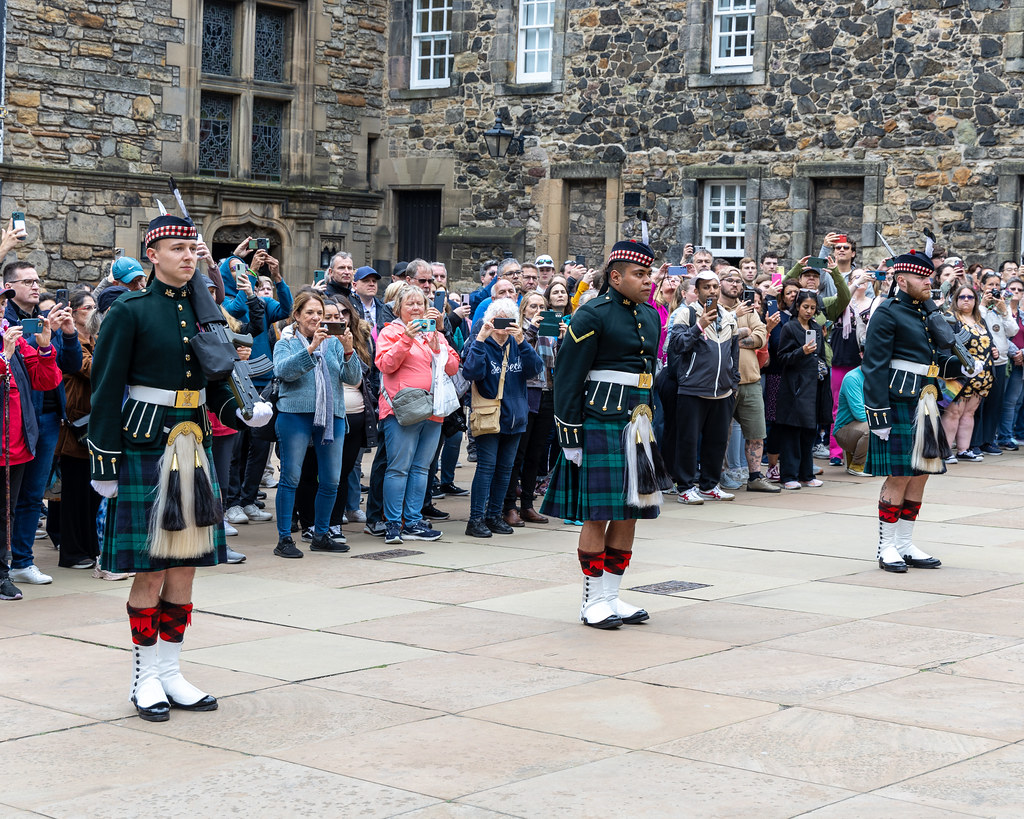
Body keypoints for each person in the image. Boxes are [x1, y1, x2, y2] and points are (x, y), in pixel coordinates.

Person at [88, 212, 272, 720]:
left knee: (185, 564)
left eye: (192, 250)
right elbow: (105, 389)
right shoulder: (130, 310)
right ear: (152, 254)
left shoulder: (200, 309)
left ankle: (172, 671)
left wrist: (242, 408)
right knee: (150, 567)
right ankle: (145, 677)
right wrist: (103, 461)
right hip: (146, 441)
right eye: (177, 250)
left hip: (194, 439)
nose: (188, 257)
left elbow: (214, 379)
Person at [541, 239, 666, 630]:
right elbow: (567, 376)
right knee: (599, 513)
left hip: (638, 420)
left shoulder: (650, 314)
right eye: (640, 274)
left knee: (633, 511)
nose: (649, 281)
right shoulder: (591, 314)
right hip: (600, 417)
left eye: (649, 274)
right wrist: (570, 433)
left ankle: (612, 596)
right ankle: (592, 601)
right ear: (615, 276)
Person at [863, 251, 974, 573]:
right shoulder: (888, 312)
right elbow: (874, 366)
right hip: (898, 398)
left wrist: (962, 365)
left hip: (926, 397)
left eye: (930, 276)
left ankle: (905, 543)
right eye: (922, 278)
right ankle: (886, 548)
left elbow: (935, 358)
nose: (929, 281)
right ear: (901, 280)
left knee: (922, 473)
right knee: (899, 476)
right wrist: (878, 414)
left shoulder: (925, 312)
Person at [3, 259, 82, 586]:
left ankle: (22, 561)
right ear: (9, 288)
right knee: (14, 496)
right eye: (27, 281)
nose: (35, 286)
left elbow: (69, 365)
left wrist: (66, 333)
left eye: (37, 281)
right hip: (17, 417)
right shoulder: (7, 322)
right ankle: (11, 562)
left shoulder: (42, 318)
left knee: (33, 493)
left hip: (48, 417)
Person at [272, 291, 361, 557]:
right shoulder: (286, 341)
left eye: (319, 313)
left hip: (331, 414)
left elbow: (353, 378)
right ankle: (284, 539)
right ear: (296, 316)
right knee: (291, 477)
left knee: (332, 479)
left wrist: (348, 350)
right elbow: (283, 372)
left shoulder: (333, 343)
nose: (316, 318)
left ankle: (321, 534)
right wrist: (310, 349)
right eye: (309, 313)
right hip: (295, 414)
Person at [56, 290, 133, 577]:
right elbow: (87, 367)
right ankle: (74, 552)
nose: (89, 311)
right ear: (75, 312)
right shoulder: (76, 341)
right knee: (75, 494)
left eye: (92, 306)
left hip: (96, 424)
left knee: (92, 495)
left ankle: (91, 549)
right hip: (78, 427)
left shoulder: (95, 339)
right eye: (85, 307)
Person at [375, 284, 459, 545]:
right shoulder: (391, 332)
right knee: (398, 468)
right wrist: (406, 339)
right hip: (402, 410)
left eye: (420, 304)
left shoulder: (435, 333)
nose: (415, 308)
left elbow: (454, 367)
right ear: (398, 308)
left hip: (433, 409)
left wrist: (438, 348)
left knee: (422, 468)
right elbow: (385, 364)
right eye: (409, 304)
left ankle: (412, 521)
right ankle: (392, 523)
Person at [0, 285, 63, 600]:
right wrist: (4, 358)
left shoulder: (14, 337)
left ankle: (3, 573)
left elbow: (46, 380)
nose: (1, 308)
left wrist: (44, 347)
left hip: (16, 444)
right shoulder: (7, 346)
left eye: (2, 303)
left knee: (6, 512)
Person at [462, 298, 542, 537]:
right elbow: (471, 372)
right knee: (486, 468)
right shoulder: (482, 343)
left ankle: (494, 515)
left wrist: (522, 340)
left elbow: (535, 368)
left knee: (506, 470)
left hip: (515, 416)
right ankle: (475, 519)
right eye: (498, 319)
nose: (502, 325)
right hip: (489, 416)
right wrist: (480, 338)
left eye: (508, 319)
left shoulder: (517, 343)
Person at [663, 270, 740, 504]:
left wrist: (733, 380)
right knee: (687, 440)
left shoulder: (729, 316)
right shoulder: (685, 314)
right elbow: (675, 345)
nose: (712, 291)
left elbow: (734, 352)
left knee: (716, 441)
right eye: (707, 287)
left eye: (715, 287)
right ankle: (685, 486)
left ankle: (709, 485)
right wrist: (699, 326)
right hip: (692, 389)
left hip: (722, 390)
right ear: (696, 291)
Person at [717, 269, 777, 493]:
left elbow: (761, 335)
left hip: (750, 380)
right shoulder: (714, 308)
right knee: (721, 432)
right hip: (723, 382)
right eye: (730, 280)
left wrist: (738, 340)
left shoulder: (750, 310)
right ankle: (719, 475)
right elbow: (716, 336)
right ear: (720, 283)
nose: (735, 284)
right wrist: (741, 334)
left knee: (756, 432)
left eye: (738, 282)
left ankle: (755, 477)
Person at [774, 290, 828, 490]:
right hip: (794, 386)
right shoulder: (789, 327)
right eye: (805, 307)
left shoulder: (815, 326)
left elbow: (821, 355)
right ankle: (788, 475)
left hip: (813, 385)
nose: (809, 311)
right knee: (792, 432)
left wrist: (822, 367)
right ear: (797, 306)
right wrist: (801, 352)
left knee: (808, 432)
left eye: (813, 308)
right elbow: (782, 357)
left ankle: (806, 474)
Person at [940, 284, 994, 463]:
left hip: (982, 376)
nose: (966, 300)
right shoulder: (951, 319)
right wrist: (951, 370)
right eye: (962, 297)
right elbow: (946, 346)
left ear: (975, 300)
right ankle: (946, 451)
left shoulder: (980, 320)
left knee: (969, 413)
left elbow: (989, 342)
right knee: (953, 412)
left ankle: (964, 449)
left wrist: (993, 351)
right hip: (960, 375)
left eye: (970, 297)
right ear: (955, 300)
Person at [834, 365, 872, 476]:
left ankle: (858, 457)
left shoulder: (878, 375)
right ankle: (857, 465)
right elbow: (860, 414)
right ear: (861, 354)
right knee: (872, 428)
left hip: (861, 425)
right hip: (844, 429)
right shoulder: (852, 378)